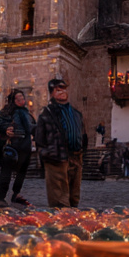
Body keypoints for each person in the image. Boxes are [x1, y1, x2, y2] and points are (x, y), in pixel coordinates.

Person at [35, 77, 87, 208]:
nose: (62, 92)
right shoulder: (47, 113)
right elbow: (39, 137)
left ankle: (72, 221)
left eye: (63, 89)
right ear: (52, 93)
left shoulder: (76, 113)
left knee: (74, 196)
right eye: (58, 90)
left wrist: (82, 150)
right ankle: (59, 223)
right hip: (55, 157)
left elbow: (82, 132)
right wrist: (45, 152)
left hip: (75, 156)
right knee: (59, 199)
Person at [0, 88, 34, 207]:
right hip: (12, 147)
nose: (21, 100)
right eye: (18, 98)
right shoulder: (6, 112)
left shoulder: (27, 113)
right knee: (6, 172)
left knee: (21, 173)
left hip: (25, 147)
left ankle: (16, 194)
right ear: (13, 100)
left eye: (22, 98)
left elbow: (32, 127)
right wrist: (6, 128)